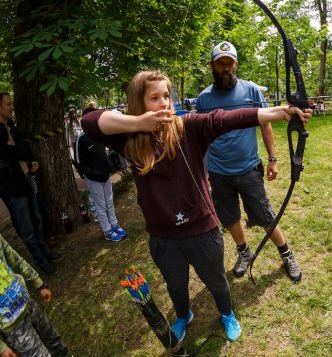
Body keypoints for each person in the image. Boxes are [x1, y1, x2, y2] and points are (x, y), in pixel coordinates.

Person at [81, 70, 311, 343]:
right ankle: (183, 315)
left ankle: (227, 313)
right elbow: (89, 122)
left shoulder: (187, 127)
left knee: (216, 281)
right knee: (176, 286)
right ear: (138, 103)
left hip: (202, 228)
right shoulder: (129, 139)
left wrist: (280, 112)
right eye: (154, 98)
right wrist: (139, 123)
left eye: (166, 96)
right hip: (163, 236)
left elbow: (227, 118)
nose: (164, 103)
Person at [196, 41, 303, 283]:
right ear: (212, 65)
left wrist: (273, 159)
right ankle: (244, 252)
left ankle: (286, 254)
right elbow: (201, 136)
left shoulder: (252, 90)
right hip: (218, 171)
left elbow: (265, 124)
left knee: (264, 214)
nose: (225, 68)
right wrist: (204, 172)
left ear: (236, 64)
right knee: (230, 217)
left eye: (229, 63)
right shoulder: (203, 99)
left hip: (247, 168)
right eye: (220, 63)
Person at [0, 93, 62, 275]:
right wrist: (17, 151)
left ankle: (46, 252)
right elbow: (8, 154)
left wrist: (18, 152)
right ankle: (41, 261)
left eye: (12, 103)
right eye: (8, 104)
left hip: (26, 179)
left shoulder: (12, 126)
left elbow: (24, 149)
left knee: (36, 218)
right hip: (11, 187)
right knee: (26, 228)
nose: (12, 107)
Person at [0, 234, 70, 356]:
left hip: (27, 302)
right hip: (11, 325)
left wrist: (38, 282)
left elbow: (13, 257)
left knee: (54, 339)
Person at [75, 109, 127, 242]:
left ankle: (114, 225)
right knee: (101, 205)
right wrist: (91, 173)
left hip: (106, 175)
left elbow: (105, 152)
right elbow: (79, 162)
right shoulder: (81, 138)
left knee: (109, 201)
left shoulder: (100, 134)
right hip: (94, 179)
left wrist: (109, 166)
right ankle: (107, 231)